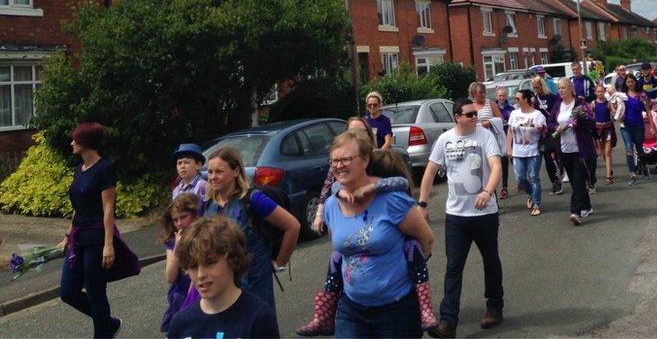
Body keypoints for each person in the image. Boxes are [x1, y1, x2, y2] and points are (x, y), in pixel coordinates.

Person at [321, 131, 434, 338]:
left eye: (345, 159)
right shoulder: (331, 206)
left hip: (396, 309)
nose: (338, 165)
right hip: (351, 308)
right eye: (334, 160)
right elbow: (341, 248)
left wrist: (403, 268)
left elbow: (426, 240)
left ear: (365, 161)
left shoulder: (391, 200)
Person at [420, 98, 504, 338]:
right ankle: (448, 322)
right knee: (453, 267)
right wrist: (423, 204)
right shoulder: (445, 139)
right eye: (469, 115)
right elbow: (430, 171)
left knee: (491, 260)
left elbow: (496, 166)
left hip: (485, 214)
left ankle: (495, 306)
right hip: (456, 216)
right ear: (457, 116)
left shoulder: (484, 136)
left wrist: (488, 191)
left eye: (475, 114)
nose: (474, 118)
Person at [58, 122, 137, 338]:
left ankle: (102, 332)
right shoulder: (79, 170)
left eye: (76, 139)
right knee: (67, 292)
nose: (72, 142)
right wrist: (67, 236)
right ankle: (108, 323)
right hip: (78, 237)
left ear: (87, 142)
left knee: (95, 293)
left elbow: (108, 209)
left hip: (96, 238)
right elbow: (78, 208)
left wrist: (108, 245)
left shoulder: (104, 169)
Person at [203, 147, 300, 317]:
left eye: (219, 171)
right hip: (223, 284)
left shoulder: (253, 199)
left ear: (236, 171)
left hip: (255, 281)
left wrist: (280, 262)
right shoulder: (208, 203)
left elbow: (293, 226)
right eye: (210, 172)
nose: (212, 177)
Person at [167, 217, 280, 339]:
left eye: (209, 263)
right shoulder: (180, 323)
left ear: (232, 259)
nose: (200, 275)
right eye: (193, 266)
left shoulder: (258, 317)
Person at [552, 78, 596, 225]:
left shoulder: (580, 104)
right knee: (575, 182)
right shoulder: (557, 105)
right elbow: (550, 121)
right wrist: (555, 128)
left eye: (563, 88)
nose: (561, 91)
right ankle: (587, 206)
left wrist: (580, 120)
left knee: (578, 180)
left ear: (571, 88)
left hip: (580, 149)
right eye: (559, 88)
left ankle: (575, 212)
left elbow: (591, 123)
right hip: (564, 149)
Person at [160, 194, 202, 333]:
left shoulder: (205, 238)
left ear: (195, 215)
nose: (179, 223)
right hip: (180, 295)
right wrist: (178, 247)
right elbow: (170, 277)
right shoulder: (174, 240)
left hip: (199, 295)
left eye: (183, 217)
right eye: (175, 220)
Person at [505, 88, 548, 216]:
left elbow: (545, 132)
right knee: (520, 178)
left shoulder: (537, 115)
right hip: (518, 151)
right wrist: (509, 148)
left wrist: (541, 129)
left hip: (533, 151)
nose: (516, 101)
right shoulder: (514, 114)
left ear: (526, 100)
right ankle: (531, 194)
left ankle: (536, 203)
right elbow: (510, 132)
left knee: (533, 177)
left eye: (518, 98)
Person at [470, 82, 506, 201]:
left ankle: (492, 195)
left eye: (484, 91)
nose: (484, 94)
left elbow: (500, 119)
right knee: (480, 169)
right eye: (481, 92)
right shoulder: (469, 106)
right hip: (475, 141)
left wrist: (489, 122)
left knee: (492, 168)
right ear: (474, 93)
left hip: (490, 139)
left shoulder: (490, 103)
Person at [619, 73, 654, 186]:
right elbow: (615, 107)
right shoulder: (622, 95)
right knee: (629, 148)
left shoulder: (641, 95)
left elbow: (648, 110)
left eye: (632, 81)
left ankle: (644, 166)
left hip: (638, 125)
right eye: (628, 82)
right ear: (625, 83)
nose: (630, 84)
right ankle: (632, 174)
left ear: (635, 82)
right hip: (626, 126)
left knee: (639, 149)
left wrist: (652, 125)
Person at [532, 75, 563, 195]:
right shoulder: (535, 100)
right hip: (543, 132)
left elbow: (557, 111)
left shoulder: (551, 97)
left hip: (553, 129)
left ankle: (560, 175)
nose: (536, 90)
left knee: (558, 155)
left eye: (537, 87)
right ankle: (555, 181)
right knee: (547, 156)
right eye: (534, 88)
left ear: (542, 86)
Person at [592, 83, 616, 185]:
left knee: (608, 152)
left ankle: (608, 176)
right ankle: (609, 170)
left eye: (601, 91)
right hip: (598, 129)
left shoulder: (608, 103)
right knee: (602, 152)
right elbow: (590, 114)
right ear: (595, 93)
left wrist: (614, 112)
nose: (600, 93)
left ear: (604, 92)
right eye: (598, 91)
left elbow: (613, 112)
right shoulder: (593, 103)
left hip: (607, 128)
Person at [494, 86, 516, 198]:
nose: (502, 97)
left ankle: (521, 179)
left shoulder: (511, 109)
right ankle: (504, 188)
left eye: (503, 95)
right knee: (503, 164)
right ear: (496, 96)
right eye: (500, 95)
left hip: (510, 138)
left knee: (514, 161)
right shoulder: (494, 108)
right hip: (499, 139)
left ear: (506, 96)